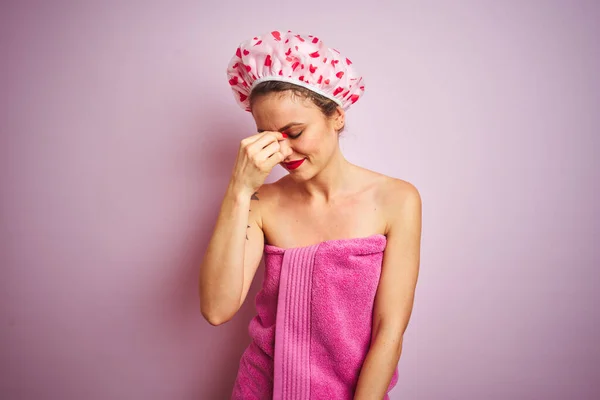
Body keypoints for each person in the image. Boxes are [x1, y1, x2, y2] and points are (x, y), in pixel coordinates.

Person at [199, 30, 422, 400]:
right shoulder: (261, 203)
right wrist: (239, 189)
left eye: (295, 131)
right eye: (267, 136)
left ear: (336, 116)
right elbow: (217, 309)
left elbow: (389, 331)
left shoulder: (396, 199)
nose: (283, 151)